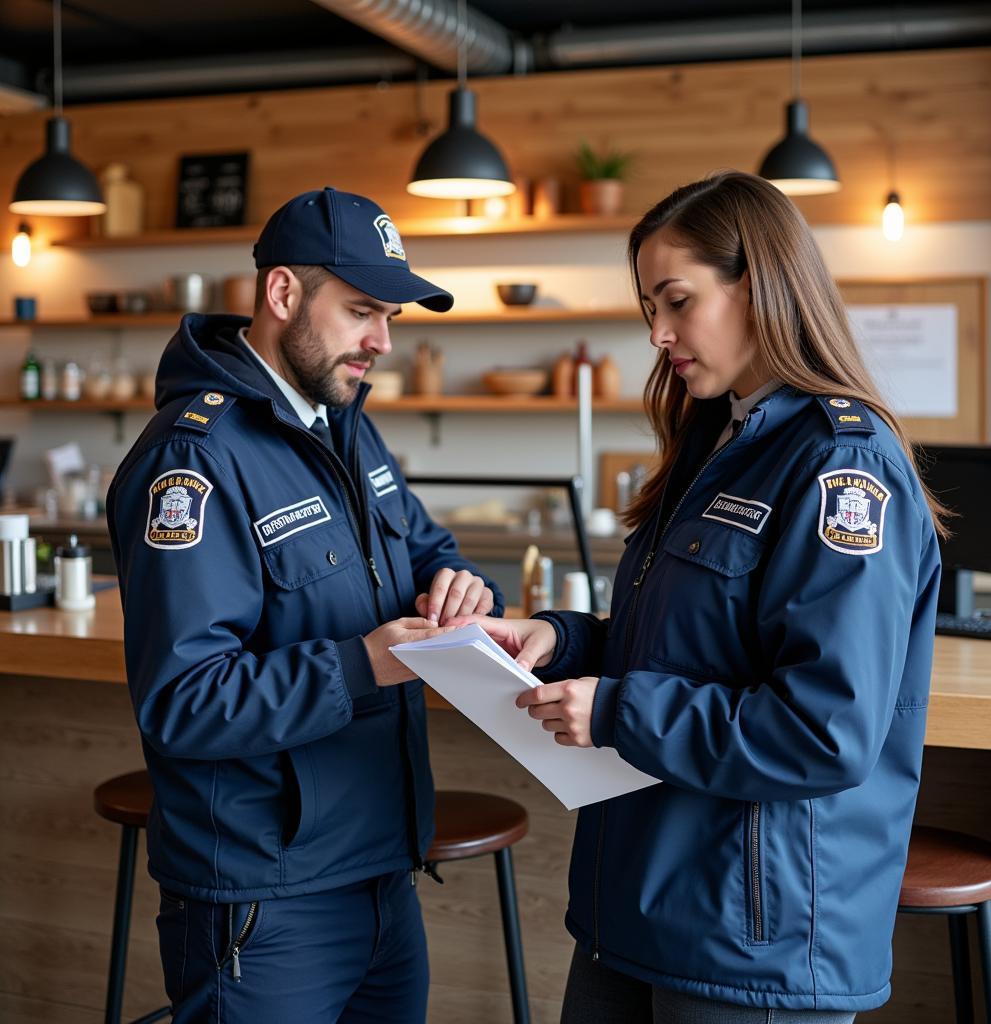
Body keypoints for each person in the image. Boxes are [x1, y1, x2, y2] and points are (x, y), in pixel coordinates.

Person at [461, 171, 943, 1023]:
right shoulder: (713, 440)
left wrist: (616, 712)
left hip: (753, 936)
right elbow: (693, 647)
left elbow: (823, 732)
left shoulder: (841, 467)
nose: (658, 332)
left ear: (760, 285)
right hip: (644, 906)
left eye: (677, 301)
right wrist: (560, 640)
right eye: (651, 305)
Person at [106, 186, 503, 1023]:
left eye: (389, 316)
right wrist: (364, 664)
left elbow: (425, 550)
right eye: (362, 311)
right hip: (265, 897)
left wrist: (465, 585)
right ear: (283, 294)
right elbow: (183, 701)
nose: (383, 341)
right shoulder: (194, 459)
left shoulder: (347, 424)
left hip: (382, 871)